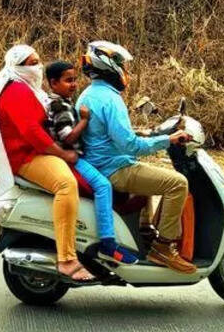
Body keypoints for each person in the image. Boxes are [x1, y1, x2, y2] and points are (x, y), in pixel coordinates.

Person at [0, 44, 95, 282]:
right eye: (31, 63)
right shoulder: (16, 91)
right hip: (27, 157)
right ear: (17, 67)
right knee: (66, 184)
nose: (37, 67)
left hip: (37, 152)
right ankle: (67, 259)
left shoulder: (27, 88)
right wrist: (62, 153)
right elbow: (32, 133)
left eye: (38, 61)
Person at [76, 40, 198, 274]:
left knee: (147, 176)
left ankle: (145, 231)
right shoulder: (111, 100)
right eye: (122, 65)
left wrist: (144, 132)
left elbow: (104, 134)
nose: (126, 71)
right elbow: (130, 146)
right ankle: (163, 246)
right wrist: (167, 140)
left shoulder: (89, 95)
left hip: (99, 164)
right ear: (111, 66)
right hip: (113, 169)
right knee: (177, 183)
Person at [44, 60, 139, 265]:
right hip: (71, 158)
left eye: (75, 79)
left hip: (74, 156)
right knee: (103, 185)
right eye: (68, 81)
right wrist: (85, 121)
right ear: (53, 83)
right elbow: (68, 137)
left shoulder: (65, 101)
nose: (74, 84)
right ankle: (107, 242)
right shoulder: (58, 104)